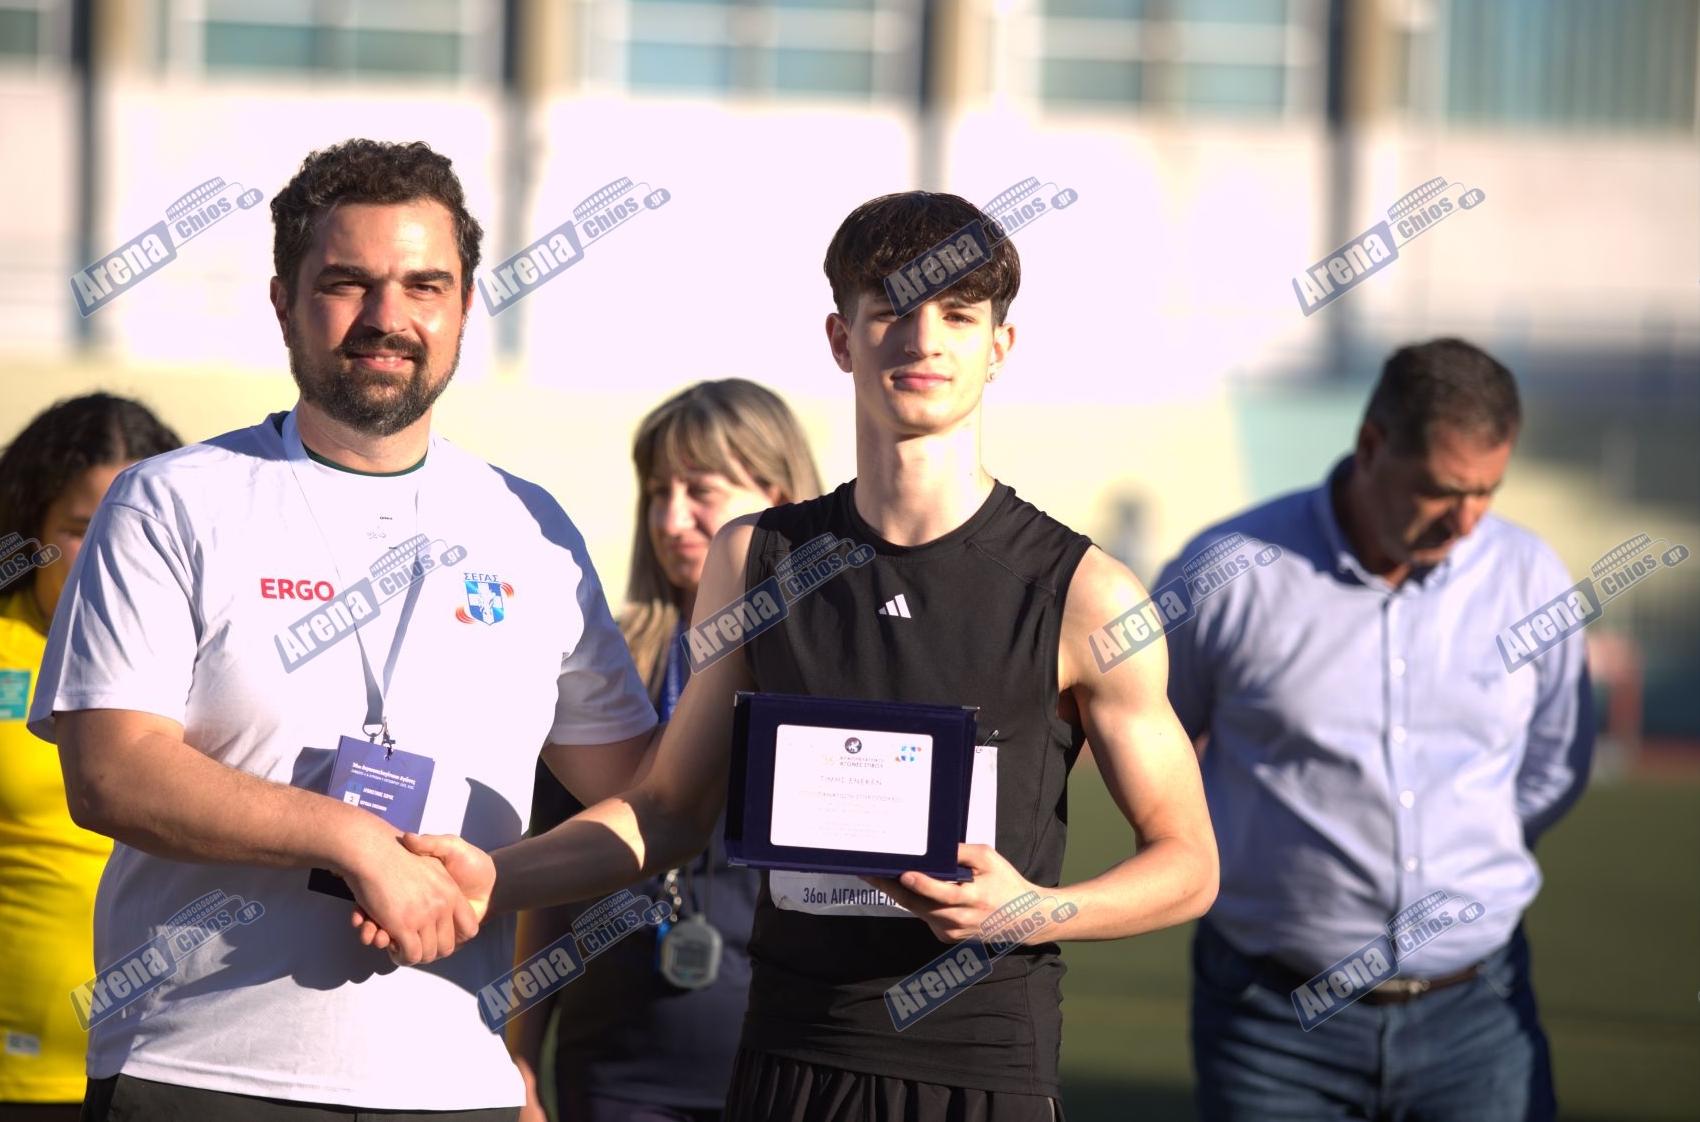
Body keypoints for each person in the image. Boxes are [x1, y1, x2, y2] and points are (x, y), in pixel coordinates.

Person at [390, 190, 1221, 1122]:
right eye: (892, 309)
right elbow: (665, 809)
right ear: (840, 337)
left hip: (981, 1070)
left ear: (1000, 346)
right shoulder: (755, 560)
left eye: (957, 314)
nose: (924, 339)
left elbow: (1188, 861)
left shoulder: (1085, 592)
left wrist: (1031, 909)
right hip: (787, 1059)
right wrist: (492, 875)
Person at [27, 139, 658, 1120]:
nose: (386, 318)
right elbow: (111, 772)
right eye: (346, 283)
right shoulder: (169, 501)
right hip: (196, 1075)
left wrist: (495, 880)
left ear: (464, 306)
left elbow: (649, 801)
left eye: (424, 286)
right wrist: (352, 838)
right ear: (283, 302)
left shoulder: (531, 529)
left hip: (451, 1087)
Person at [1158, 339, 1592, 1121]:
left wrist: (1467, 855)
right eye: (1440, 488)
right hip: (1271, 1025)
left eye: (1486, 490)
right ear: (1369, 445)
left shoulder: (1529, 577)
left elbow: (1553, 767)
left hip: (1479, 1017)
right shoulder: (1226, 574)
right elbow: (1150, 749)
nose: (1466, 520)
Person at [508, 379, 823, 1122]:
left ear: (776, 497)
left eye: (700, 490)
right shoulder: (600, 663)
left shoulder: (832, 670)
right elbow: (545, 879)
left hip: (792, 1070)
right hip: (613, 1072)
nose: (671, 517)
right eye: (657, 491)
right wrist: (518, 1060)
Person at [0, 394, 181, 1122]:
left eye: (130, 526)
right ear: (31, 531)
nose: (109, 552)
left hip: (168, 1061)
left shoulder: (209, 657)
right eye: (82, 529)